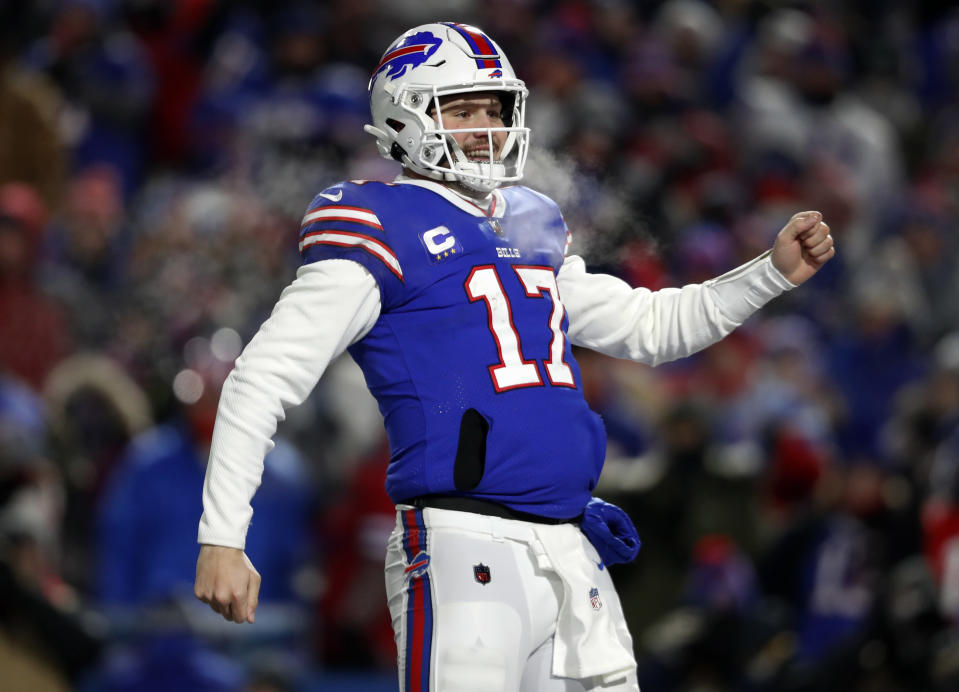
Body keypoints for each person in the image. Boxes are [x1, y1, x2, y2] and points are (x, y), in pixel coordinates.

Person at [194, 22, 835, 692]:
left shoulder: (530, 223)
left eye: (493, 110)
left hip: (570, 549)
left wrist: (770, 273)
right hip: (463, 543)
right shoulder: (375, 224)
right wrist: (223, 537)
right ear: (402, 114)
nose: (483, 127)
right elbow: (262, 378)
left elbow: (654, 328)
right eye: (461, 109)